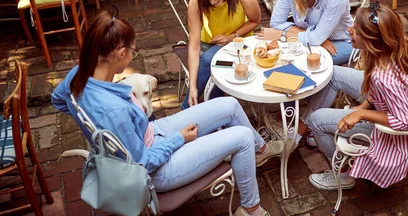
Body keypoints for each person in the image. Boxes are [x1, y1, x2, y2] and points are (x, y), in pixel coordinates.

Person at [51, 12, 283, 216]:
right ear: (121, 53)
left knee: (230, 104)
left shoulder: (77, 75)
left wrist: (91, 126)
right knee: (242, 136)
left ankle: (260, 151)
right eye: (133, 50)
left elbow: (58, 100)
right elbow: (142, 163)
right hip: (159, 171)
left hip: (151, 133)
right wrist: (179, 139)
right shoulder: (114, 111)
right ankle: (251, 209)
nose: (133, 54)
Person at [304, 2, 408, 191]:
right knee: (334, 73)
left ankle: (342, 174)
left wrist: (360, 115)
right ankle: (314, 129)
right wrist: (363, 106)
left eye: (357, 31)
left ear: (372, 41)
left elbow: (403, 122)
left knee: (316, 120)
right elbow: (388, 92)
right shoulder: (398, 44)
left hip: (401, 134)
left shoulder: (383, 77)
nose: (350, 30)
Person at [183, 0, 261, 108]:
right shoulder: (196, 2)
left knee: (209, 61)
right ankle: (214, 110)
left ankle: (188, 108)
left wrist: (232, 36)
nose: (212, 1)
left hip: (239, 42)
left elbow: (255, 20)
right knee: (212, 65)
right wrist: (192, 86)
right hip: (210, 44)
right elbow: (193, 46)